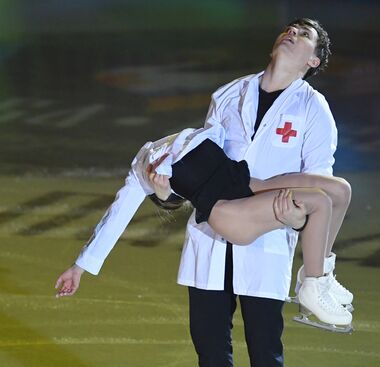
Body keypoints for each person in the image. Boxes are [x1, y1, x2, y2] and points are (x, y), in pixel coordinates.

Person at [57, 18, 353, 367]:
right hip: (212, 237)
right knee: (212, 353)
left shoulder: (313, 109)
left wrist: (297, 220)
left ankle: (319, 277)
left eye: (304, 35)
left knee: (266, 352)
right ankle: (316, 282)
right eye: (289, 29)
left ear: (313, 61)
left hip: (267, 235)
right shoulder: (227, 95)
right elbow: (194, 179)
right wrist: (164, 195)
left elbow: (318, 180)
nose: (292, 33)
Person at [55, 124, 352, 329]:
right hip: (230, 213)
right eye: (168, 195)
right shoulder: (143, 178)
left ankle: (322, 275)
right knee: (320, 203)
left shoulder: (177, 142)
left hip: (247, 184)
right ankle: (312, 286)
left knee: (339, 191)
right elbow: (116, 218)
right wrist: (80, 267)